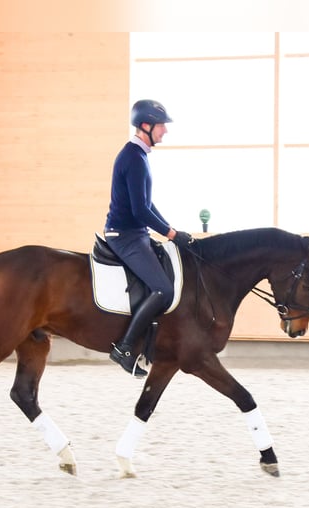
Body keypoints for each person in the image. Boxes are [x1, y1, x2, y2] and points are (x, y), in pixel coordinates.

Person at [104, 99, 194, 378]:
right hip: (125, 236)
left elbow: (147, 203)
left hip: (136, 233)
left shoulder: (139, 156)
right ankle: (125, 348)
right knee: (163, 290)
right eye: (162, 126)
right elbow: (139, 210)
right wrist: (171, 234)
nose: (165, 131)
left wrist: (171, 229)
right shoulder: (133, 158)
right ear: (146, 125)